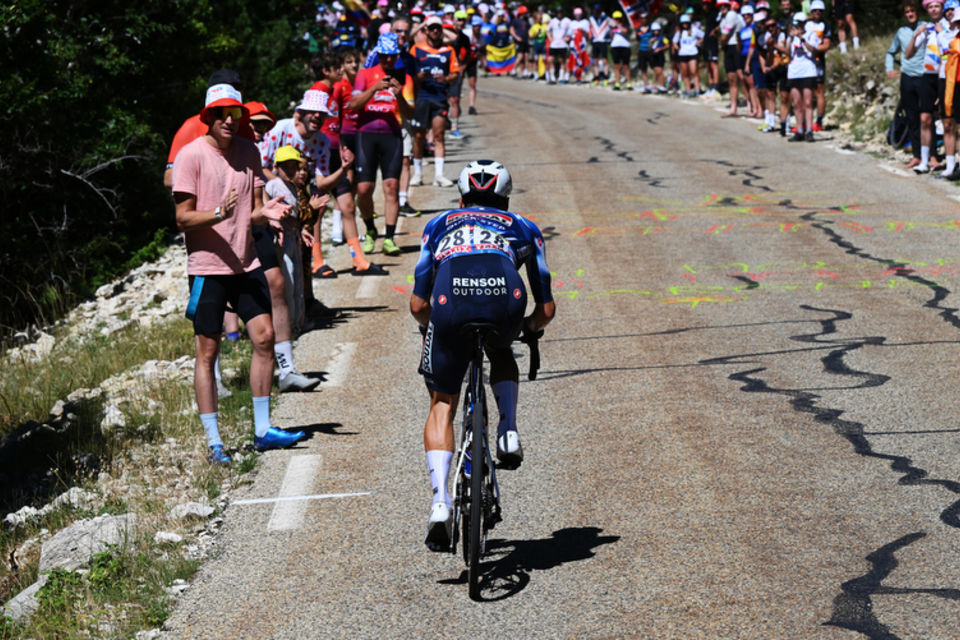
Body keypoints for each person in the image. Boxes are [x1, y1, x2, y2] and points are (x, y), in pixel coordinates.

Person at [410, 160, 555, 550]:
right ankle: (508, 429)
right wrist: (528, 329)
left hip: (450, 299)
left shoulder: (438, 224)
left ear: (460, 197)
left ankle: (441, 502)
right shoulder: (524, 226)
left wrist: (431, 329)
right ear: (505, 200)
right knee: (501, 348)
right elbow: (546, 309)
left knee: (443, 401)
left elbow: (417, 302)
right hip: (505, 298)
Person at [172, 83, 307, 464]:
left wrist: (271, 214)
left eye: (235, 114)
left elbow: (254, 209)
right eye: (222, 114)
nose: (230, 121)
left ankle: (263, 431)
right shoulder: (190, 156)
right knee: (208, 349)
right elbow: (182, 218)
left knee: (264, 338)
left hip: (245, 261)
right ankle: (215, 443)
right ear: (209, 118)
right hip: (207, 267)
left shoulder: (249, 152)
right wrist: (218, 213)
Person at [349, 32, 415, 256]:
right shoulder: (365, 74)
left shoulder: (403, 77)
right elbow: (353, 105)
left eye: (391, 56)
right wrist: (373, 88)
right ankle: (369, 229)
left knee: (392, 187)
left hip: (391, 136)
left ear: (397, 56)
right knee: (364, 189)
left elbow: (410, 112)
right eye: (384, 56)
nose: (388, 60)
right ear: (378, 54)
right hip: (366, 135)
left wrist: (399, 96)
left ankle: (389, 238)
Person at [409, 17, 461, 188]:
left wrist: (445, 78)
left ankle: (439, 175)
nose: (436, 31)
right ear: (426, 31)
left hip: (439, 98)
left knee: (439, 136)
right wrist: (418, 78)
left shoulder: (449, 51)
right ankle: (417, 173)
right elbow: (408, 75)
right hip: (421, 97)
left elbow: (455, 74)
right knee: (418, 136)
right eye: (432, 28)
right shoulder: (416, 50)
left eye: (438, 28)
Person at [905, 0, 946, 174]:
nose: (934, 9)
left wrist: (943, 32)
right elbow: (908, 54)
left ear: (942, 8)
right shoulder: (926, 28)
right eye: (930, 7)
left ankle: (951, 161)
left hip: (945, 76)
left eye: (936, 6)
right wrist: (916, 35)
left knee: (948, 121)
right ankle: (925, 160)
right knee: (925, 120)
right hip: (927, 76)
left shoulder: (949, 25)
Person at [887, 1, 928, 170]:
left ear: (917, 12)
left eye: (912, 11)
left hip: (925, 77)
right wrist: (889, 68)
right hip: (907, 77)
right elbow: (891, 52)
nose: (910, 14)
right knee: (911, 117)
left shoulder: (926, 27)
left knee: (927, 118)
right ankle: (917, 156)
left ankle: (930, 156)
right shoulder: (901, 32)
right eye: (907, 12)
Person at [783, 11, 818, 141]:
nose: (798, 26)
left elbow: (812, 49)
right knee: (797, 103)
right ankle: (800, 130)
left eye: (800, 23)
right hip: (794, 72)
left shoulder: (810, 34)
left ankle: (809, 130)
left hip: (808, 71)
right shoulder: (791, 37)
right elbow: (787, 52)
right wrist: (791, 38)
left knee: (808, 102)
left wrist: (802, 38)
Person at [673, 13, 703, 97]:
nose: (684, 24)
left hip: (692, 53)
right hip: (683, 54)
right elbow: (674, 42)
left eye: (686, 22)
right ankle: (688, 90)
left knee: (694, 71)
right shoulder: (679, 32)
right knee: (685, 73)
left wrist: (698, 42)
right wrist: (678, 48)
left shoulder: (694, 30)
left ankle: (697, 90)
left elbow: (703, 36)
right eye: (683, 23)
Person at [589, 3, 612, 85]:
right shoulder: (591, 18)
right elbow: (590, 29)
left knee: (605, 60)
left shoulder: (606, 18)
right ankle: (597, 78)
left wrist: (609, 36)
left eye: (598, 10)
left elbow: (613, 25)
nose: (597, 11)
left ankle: (606, 77)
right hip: (595, 41)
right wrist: (590, 38)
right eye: (595, 10)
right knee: (595, 61)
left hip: (603, 41)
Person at [610, 11, 633, 90]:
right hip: (615, 47)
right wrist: (612, 29)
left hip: (625, 47)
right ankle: (617, 84)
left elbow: (625, 31)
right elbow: (611, 37)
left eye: (618, 19)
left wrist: (618, 25)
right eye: (616, 19)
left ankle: (629, 84)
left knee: (626, 66)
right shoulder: (612, 27)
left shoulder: (625, 25)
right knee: (617, 66)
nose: (617, 20)